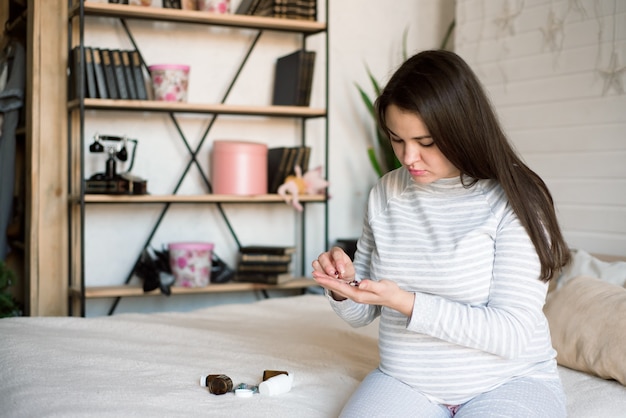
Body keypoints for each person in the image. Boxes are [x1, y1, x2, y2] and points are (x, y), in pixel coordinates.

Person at [312, 50, 571, 418]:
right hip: (406, 381)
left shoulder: (513, 198)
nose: (409, 157)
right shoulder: (386, 194)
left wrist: (407, 302)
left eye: (426, 142)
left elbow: (511, 334)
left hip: (510, 380)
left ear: (461, 129)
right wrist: (344, 287)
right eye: (397, 139)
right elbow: (363, 313)